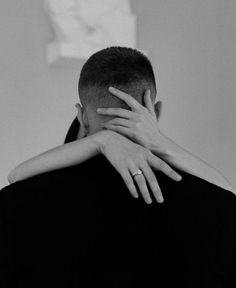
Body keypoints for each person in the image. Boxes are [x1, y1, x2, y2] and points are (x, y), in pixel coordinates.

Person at [1, 47, 235, 287]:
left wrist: (101, 139)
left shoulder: (14, 204)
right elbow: (227, 195)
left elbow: (15, 177)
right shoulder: (220, 209)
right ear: (155, 112)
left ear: (82, 116)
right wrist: (161, 143)